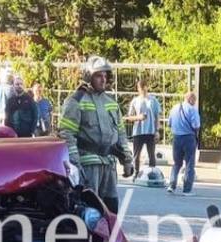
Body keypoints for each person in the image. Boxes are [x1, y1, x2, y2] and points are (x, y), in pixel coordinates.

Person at [59, 56, 133, 211]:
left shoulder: (111, 103)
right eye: (99, 76)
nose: (103, 80)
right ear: (88, 76)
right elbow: (66, 134)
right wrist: (75, 165)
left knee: (111, 209)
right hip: (88, 167)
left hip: (109, 166)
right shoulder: (76, 101)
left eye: (106, 76)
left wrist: (127, 160)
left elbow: (121, 135)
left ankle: (109, 236)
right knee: (90, 211)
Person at [167, 91, 200, 195]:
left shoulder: (174, 108)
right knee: (189, 163)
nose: (194, 103)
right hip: (189, 138)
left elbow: (169, 123)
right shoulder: (192, 110)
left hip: (176, 138)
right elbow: (196, 125)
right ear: (191, 99)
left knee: (177, 163)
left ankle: (171, 185)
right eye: (194, 100)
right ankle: (187, 189)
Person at [125, 80, 161, 176]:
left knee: (151, 154)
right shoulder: (135, 101)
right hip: (138, 131)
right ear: (138, 89)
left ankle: (152, 173)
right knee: (136, 155)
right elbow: (129, 117)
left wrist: (157, 130)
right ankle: (136, 173)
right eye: (141, 88)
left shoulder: (153, 100)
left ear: (147, 87)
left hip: (150, 131)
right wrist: (138, 117)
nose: (143, 89)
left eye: (144, 87)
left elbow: (157, 116)